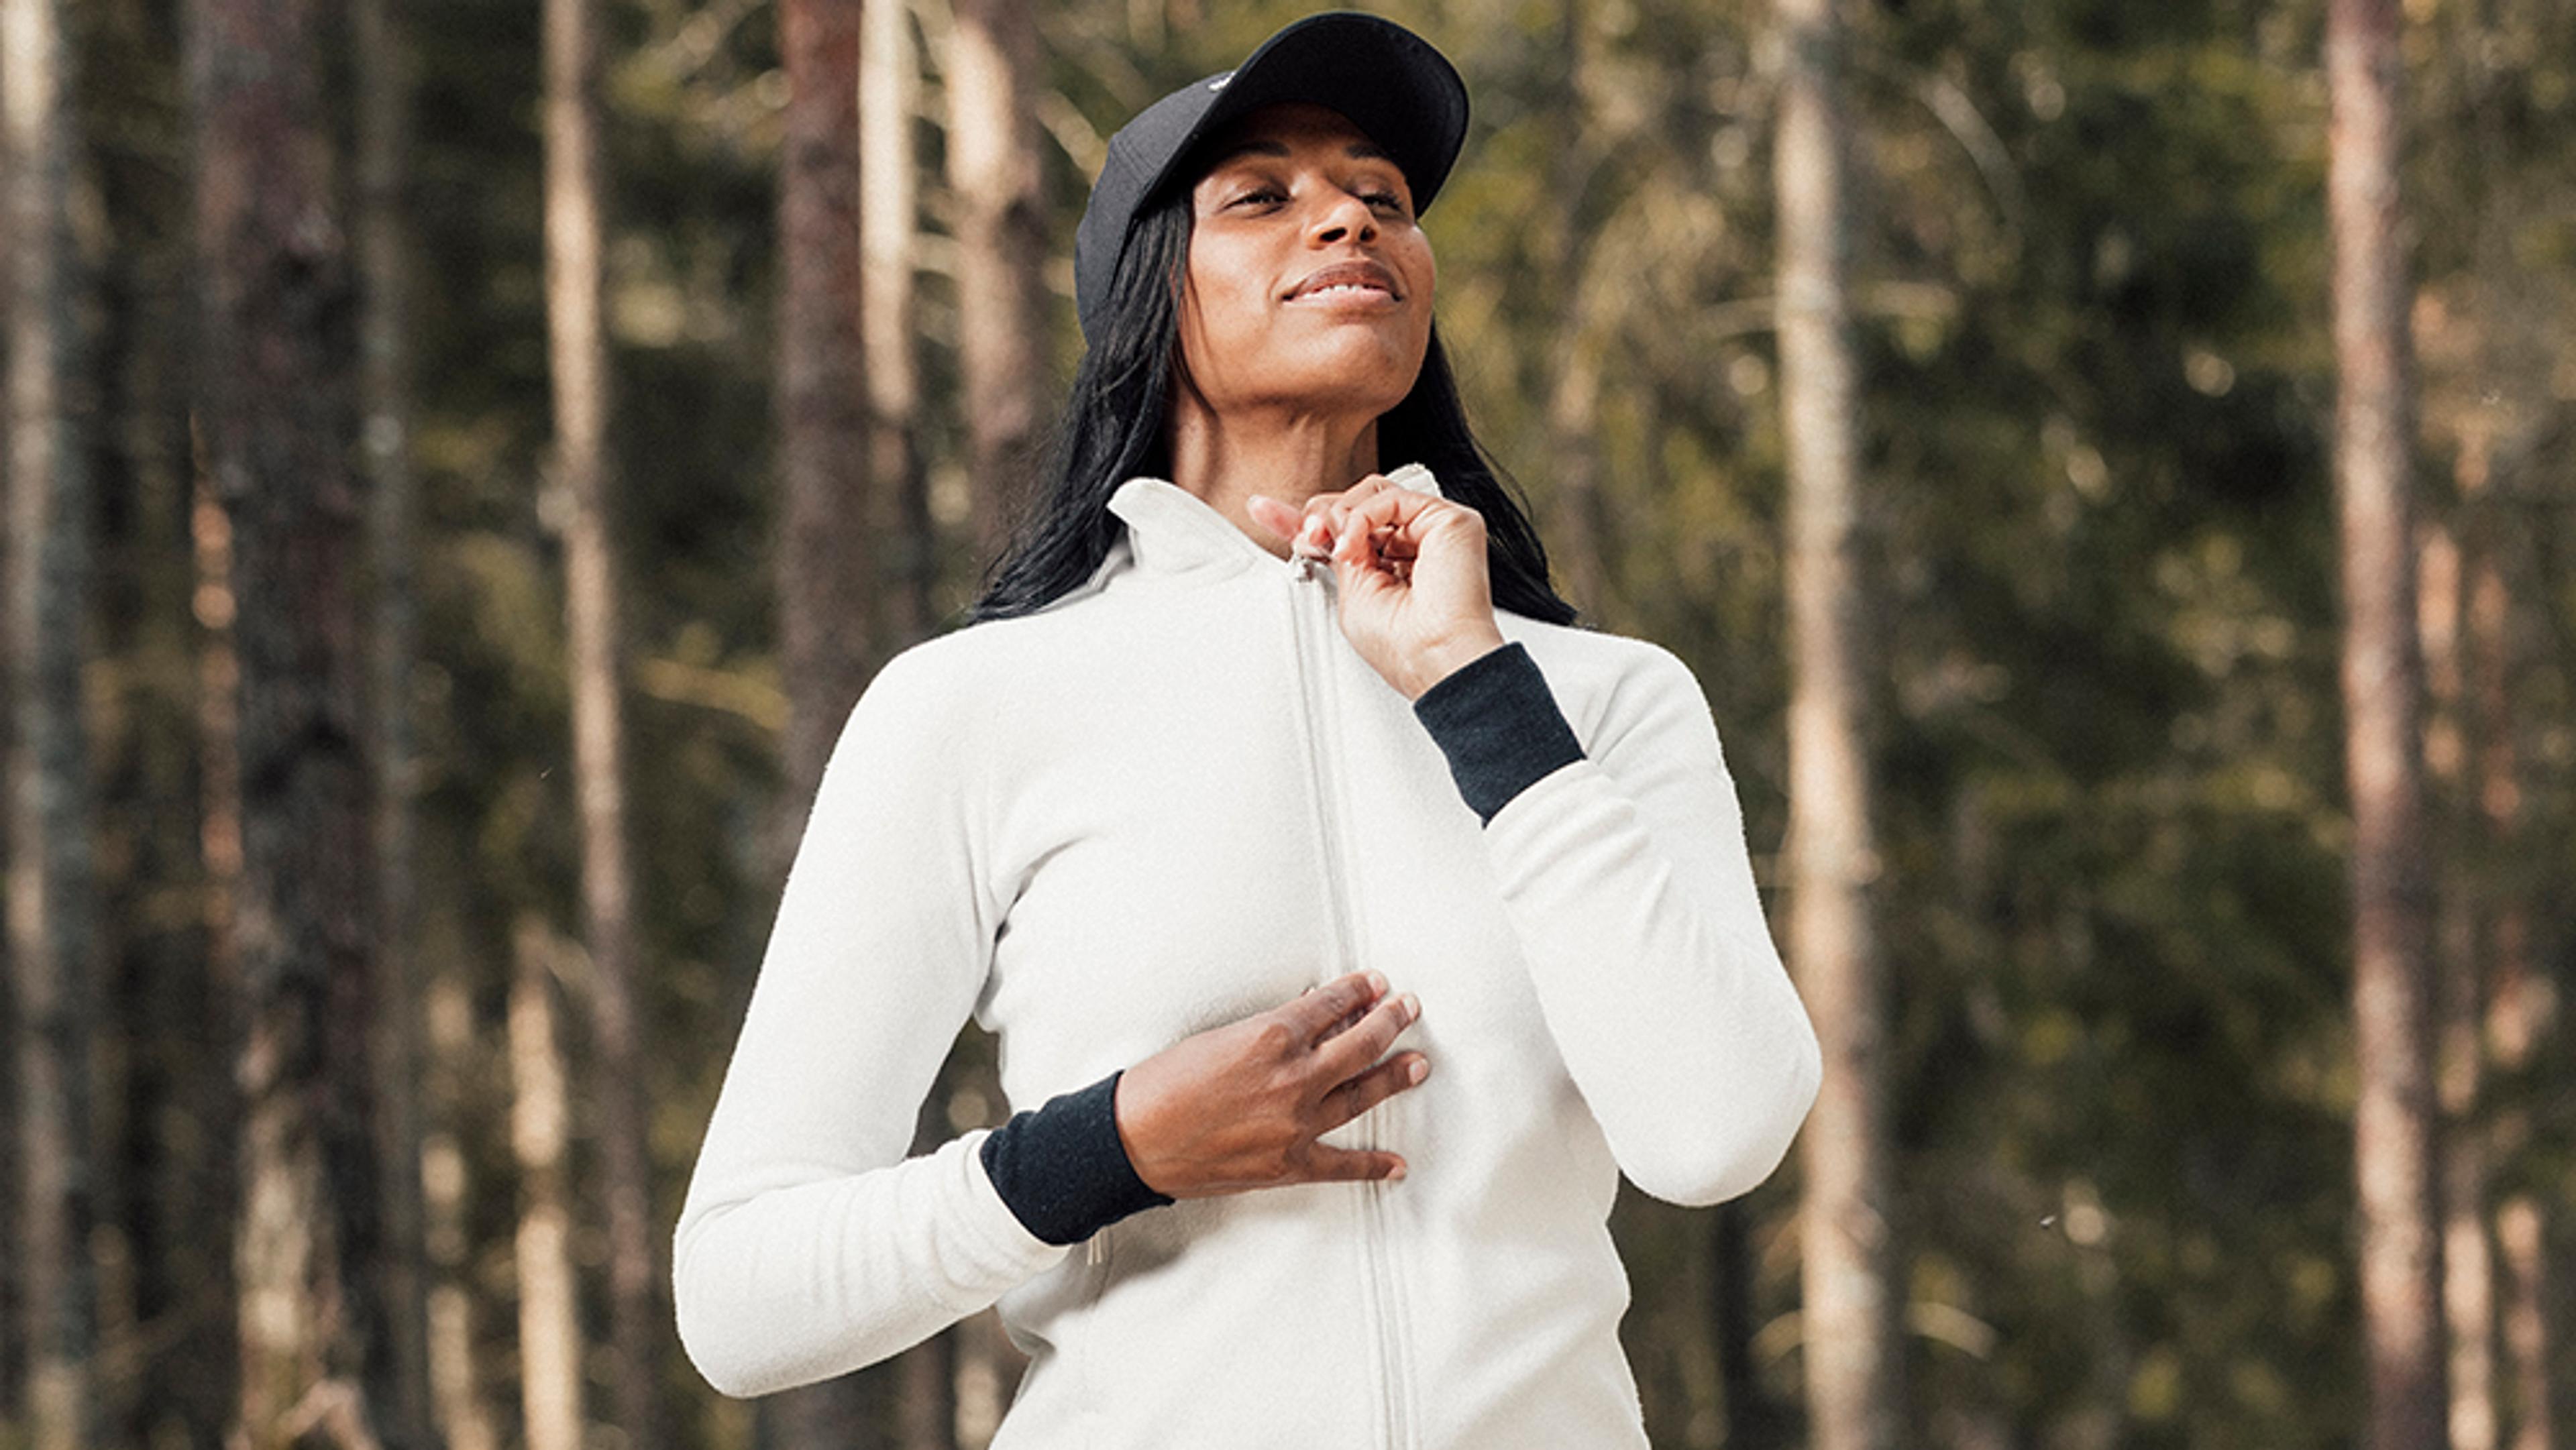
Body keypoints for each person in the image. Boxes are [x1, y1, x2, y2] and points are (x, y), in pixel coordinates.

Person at [674, 12, 1820, 1447]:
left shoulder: (1599, 697)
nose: (1350, 213)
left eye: (1385, 198)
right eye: (1263, 195)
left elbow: (1717, 1131)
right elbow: (740, 1296)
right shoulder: (970, 707)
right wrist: (1117, 1147)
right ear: (1152, 292)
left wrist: (1476, 687)